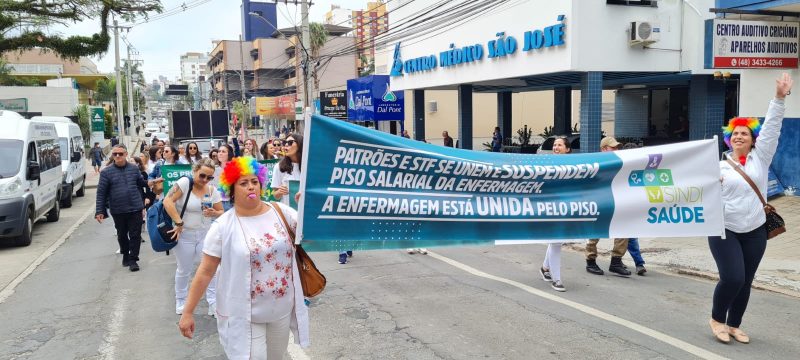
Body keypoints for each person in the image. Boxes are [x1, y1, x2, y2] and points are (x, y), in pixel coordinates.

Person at [178, 157, 310, 358]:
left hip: (281, 308)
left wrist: (307, 208)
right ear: (231, 189)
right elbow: (205, 272)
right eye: (243, 183)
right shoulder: (222, 227)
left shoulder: (281, 212)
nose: (251, 187)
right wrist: (187, 312)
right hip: (245, 314)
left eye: (254, 182)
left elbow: (309, 236)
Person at [707, 73, 792, 344]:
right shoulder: (716, 167)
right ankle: (717, 319)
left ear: (753, 140)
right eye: (736, 134)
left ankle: (734, 324)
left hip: (755, 230)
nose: (740, 136)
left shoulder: (760, 159)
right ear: (729, 140)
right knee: (732, 277)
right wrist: (711, 183)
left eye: (745, 133)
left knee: (746, 280)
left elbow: (772, 128)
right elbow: (694, 191)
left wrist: (779, 97)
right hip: (725, 229)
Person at [164, 158, 224, 316]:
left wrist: (214, 213)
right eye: (202, 175)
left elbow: (221, 211)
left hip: (205, 233)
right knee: (184, 269)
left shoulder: (211, 190)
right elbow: (167, 201)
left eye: (209, 177)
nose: (205, 180)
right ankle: (181, 300)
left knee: (212, 269)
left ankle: (213, 302)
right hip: (184, 235)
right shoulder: (184, 183)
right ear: (195, 171)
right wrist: (178, 221)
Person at [95, 145, 149, 272]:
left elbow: (141, 183)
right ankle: (125, 253)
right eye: (115, 154)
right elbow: (101, 193)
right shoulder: (106, 172)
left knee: (135, 234)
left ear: (126, 155)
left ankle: (133, 259)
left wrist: (152, 182)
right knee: (122, 234)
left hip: (135, 207)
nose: (118, 156)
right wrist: (99, 211)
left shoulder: (134, 169)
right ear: (112, 156)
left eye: (120, 154)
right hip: (118, 209)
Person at [585, 137, 632, 277]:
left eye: (617, 147)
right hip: (600, 202)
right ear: (604, 148)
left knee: (623, 230)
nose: (616, 149)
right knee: (595, 232)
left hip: (617, 201)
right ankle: (590, 261)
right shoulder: (595, 163)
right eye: (613, 147)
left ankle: (616, 261)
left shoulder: (619, 162)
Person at [539, 137, 570, 292]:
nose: (556, 147)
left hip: (565, 209)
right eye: (555, 145)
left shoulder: (574, 167)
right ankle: (557, 279)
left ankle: (545, 268)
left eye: (560, 145)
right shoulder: (547, 164)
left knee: (556, 241)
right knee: (556, 241)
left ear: (567, 149)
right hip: (550, 208)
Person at [212, 144, 236, 211]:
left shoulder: (235, 169)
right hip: (217, 203)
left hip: (231, 203)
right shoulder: (214, 169)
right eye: (219, 151)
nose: (220, 153)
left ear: (229, 154)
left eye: (223, 151)